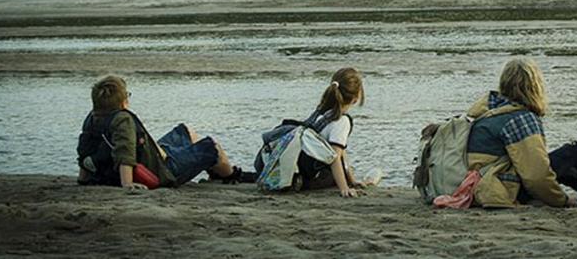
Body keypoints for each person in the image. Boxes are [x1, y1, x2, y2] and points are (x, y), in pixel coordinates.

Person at [76, 75, 251, 189]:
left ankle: (214, 173)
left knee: (185, 130)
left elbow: (85, 151)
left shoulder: (92, 118)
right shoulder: (123, 120)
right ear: (123, 102)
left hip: (154, 157)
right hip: (162, 171)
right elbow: (125, 154)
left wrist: (83, 179)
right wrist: (127, 184)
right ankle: (231, 176)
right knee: (212, 147)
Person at [465, 58, 574, 208]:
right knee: (572, 152)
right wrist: (562, 200)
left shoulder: (485, 111)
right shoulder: (520, 117)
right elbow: (536, 176)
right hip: (497, 188)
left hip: (475, 184)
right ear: (535, 87)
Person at [293, 67, 374, 196]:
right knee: (333, 175)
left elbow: (341, 153)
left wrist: (351, 180)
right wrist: (344, 188)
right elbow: (335, 157)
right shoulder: (342, 121)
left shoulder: (321, 112)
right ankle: (303, 183)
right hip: (315, 173)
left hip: (301, 165)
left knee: (342, 170)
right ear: (356, 97)